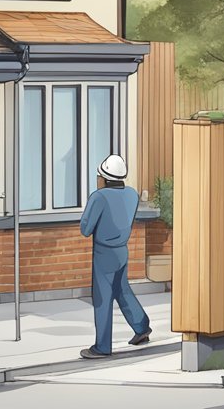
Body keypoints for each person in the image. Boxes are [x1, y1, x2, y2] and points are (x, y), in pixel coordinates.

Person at [78, 154, 152, 359]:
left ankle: (102, 347)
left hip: (104, 253)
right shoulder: (132, 195)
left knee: (103, 299)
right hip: (122, 251)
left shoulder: (99, 197)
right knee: (122, 290)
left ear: (103, 177)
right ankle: (142, 327)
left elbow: (85, 229)